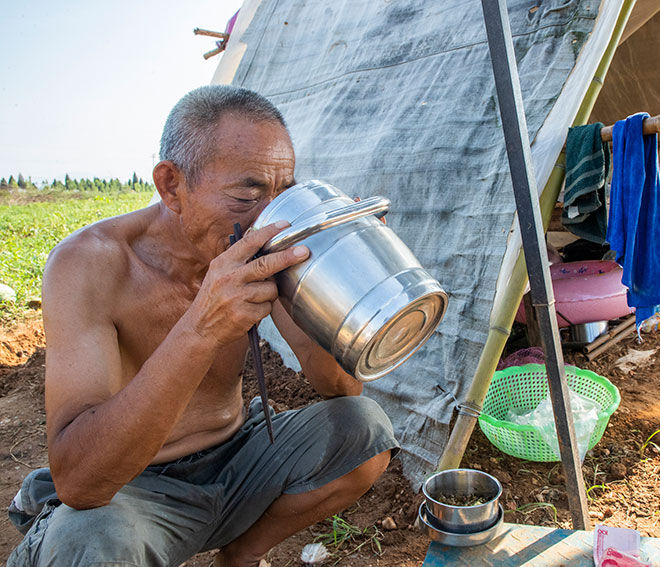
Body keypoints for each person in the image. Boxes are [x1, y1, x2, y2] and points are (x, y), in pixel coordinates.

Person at [7, 85, 399, 567]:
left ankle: (242, 554)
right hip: (128, 492)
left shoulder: (264, 243)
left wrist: (340, 272)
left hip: (235, 462)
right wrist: (200, 329)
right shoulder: (89, 265)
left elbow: (340, 387)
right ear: (172, 186)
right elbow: (80, 481)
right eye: (246, 195)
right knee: (87, 543)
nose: (270, 218)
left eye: (284, 193)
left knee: (365, 431)